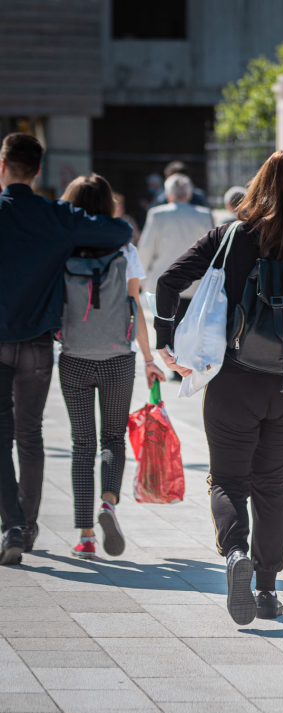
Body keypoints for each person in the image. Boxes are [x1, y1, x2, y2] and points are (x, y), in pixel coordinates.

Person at [155, 150, 283, 624]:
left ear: (260, 185)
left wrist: (165, 339)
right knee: (273, 484)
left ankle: (235, 556)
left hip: (234, 376)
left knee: (229, 480)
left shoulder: (232, 235)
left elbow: (169, 281)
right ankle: (267, 592)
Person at [0, 133, 132, 565]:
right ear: (38, 171)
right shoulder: (55, 215)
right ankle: (30, 524)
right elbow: (120, 230)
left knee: (4, 436)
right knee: (29, 435)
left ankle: (11, 526)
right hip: (38, 344)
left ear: (2, 167)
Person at [57, 175, 167, 559]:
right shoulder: (125, 249)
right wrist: (149, 359)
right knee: (112, 439)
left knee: (82, 444)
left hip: (74, 356)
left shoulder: (63, 245)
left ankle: (86, 535)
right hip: (118, 358)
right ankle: (108, 503)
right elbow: (135, 306)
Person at [138, 173, 214, 328]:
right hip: (195, 284)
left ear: (167, 194)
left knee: (165, 331)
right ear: (189, 194)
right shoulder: (204, 215)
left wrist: (141, 279)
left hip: (163, 282)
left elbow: (146, 249)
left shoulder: (157, 215)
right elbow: (212, 251)